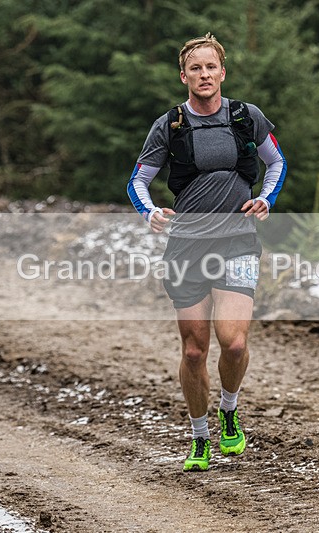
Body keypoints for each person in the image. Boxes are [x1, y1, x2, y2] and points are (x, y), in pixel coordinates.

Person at [126, 34, 287, 471]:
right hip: (186, 246)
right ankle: (199, 437)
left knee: (233, 343)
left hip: (236, 239)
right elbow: (137, 181)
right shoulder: (170, 125)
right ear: (184, 76)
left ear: (222, 72)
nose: (204, 74)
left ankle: (229, 411)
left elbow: (277, 163)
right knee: (195, 352)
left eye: (210, 67)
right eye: (195, 68)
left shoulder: (245, 117)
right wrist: (149, 211)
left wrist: (266, 198)